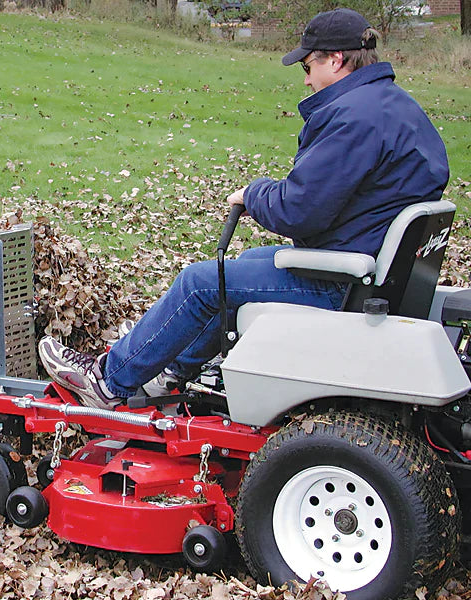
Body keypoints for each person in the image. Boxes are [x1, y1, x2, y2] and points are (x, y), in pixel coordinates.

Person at [38, 8, 449, 410]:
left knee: (200, 281)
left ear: (336, 60)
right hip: (371, 266)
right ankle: (169, 373)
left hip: (342, 282)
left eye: (308, 65)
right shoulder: (394, 105)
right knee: (248, 263)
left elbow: (298, 212)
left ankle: (107, 381)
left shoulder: (354, 118)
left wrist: (253, 194)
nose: (306, 79)